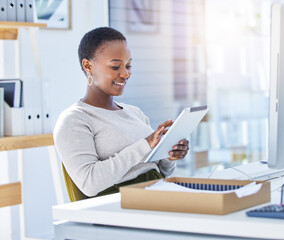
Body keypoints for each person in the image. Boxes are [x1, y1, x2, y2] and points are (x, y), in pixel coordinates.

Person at [53, 27, 189, 200]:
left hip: (158, 195)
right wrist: (145, 144)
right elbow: (89, 183)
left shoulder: (135, 113)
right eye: (115, 66)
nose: (125, 74)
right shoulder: (74, 119)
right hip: (122, 207)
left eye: (128, 65)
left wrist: (169, 156)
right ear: (88, 66)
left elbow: (162, 171)